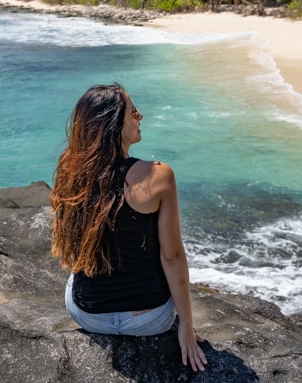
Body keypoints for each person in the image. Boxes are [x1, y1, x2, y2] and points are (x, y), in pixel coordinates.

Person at [50, 83, 207, 372]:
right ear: (114, 125)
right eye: (133, 112)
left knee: (75, 278)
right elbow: (171, 257)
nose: (140, 116)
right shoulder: (158, 176)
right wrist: (186, 325)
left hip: (88, 315)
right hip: (150, 320)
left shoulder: (70, 170)